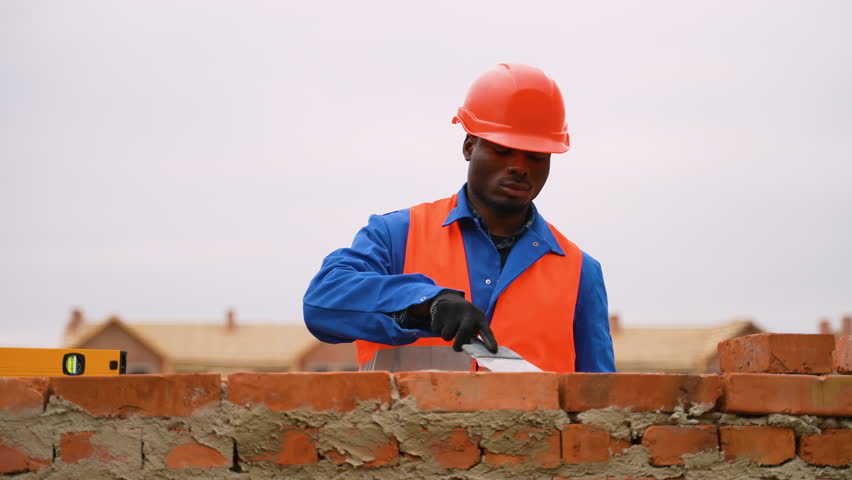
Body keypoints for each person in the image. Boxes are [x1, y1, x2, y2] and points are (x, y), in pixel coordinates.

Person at [303, 63, 615, 373]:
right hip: (410, 423)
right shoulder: (396, 235)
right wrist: (424, 303)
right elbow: (322, 301)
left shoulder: (580, 271)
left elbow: (602, 401)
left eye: (536, 156)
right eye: (503, 149)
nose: (520, 166)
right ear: (469, 146)